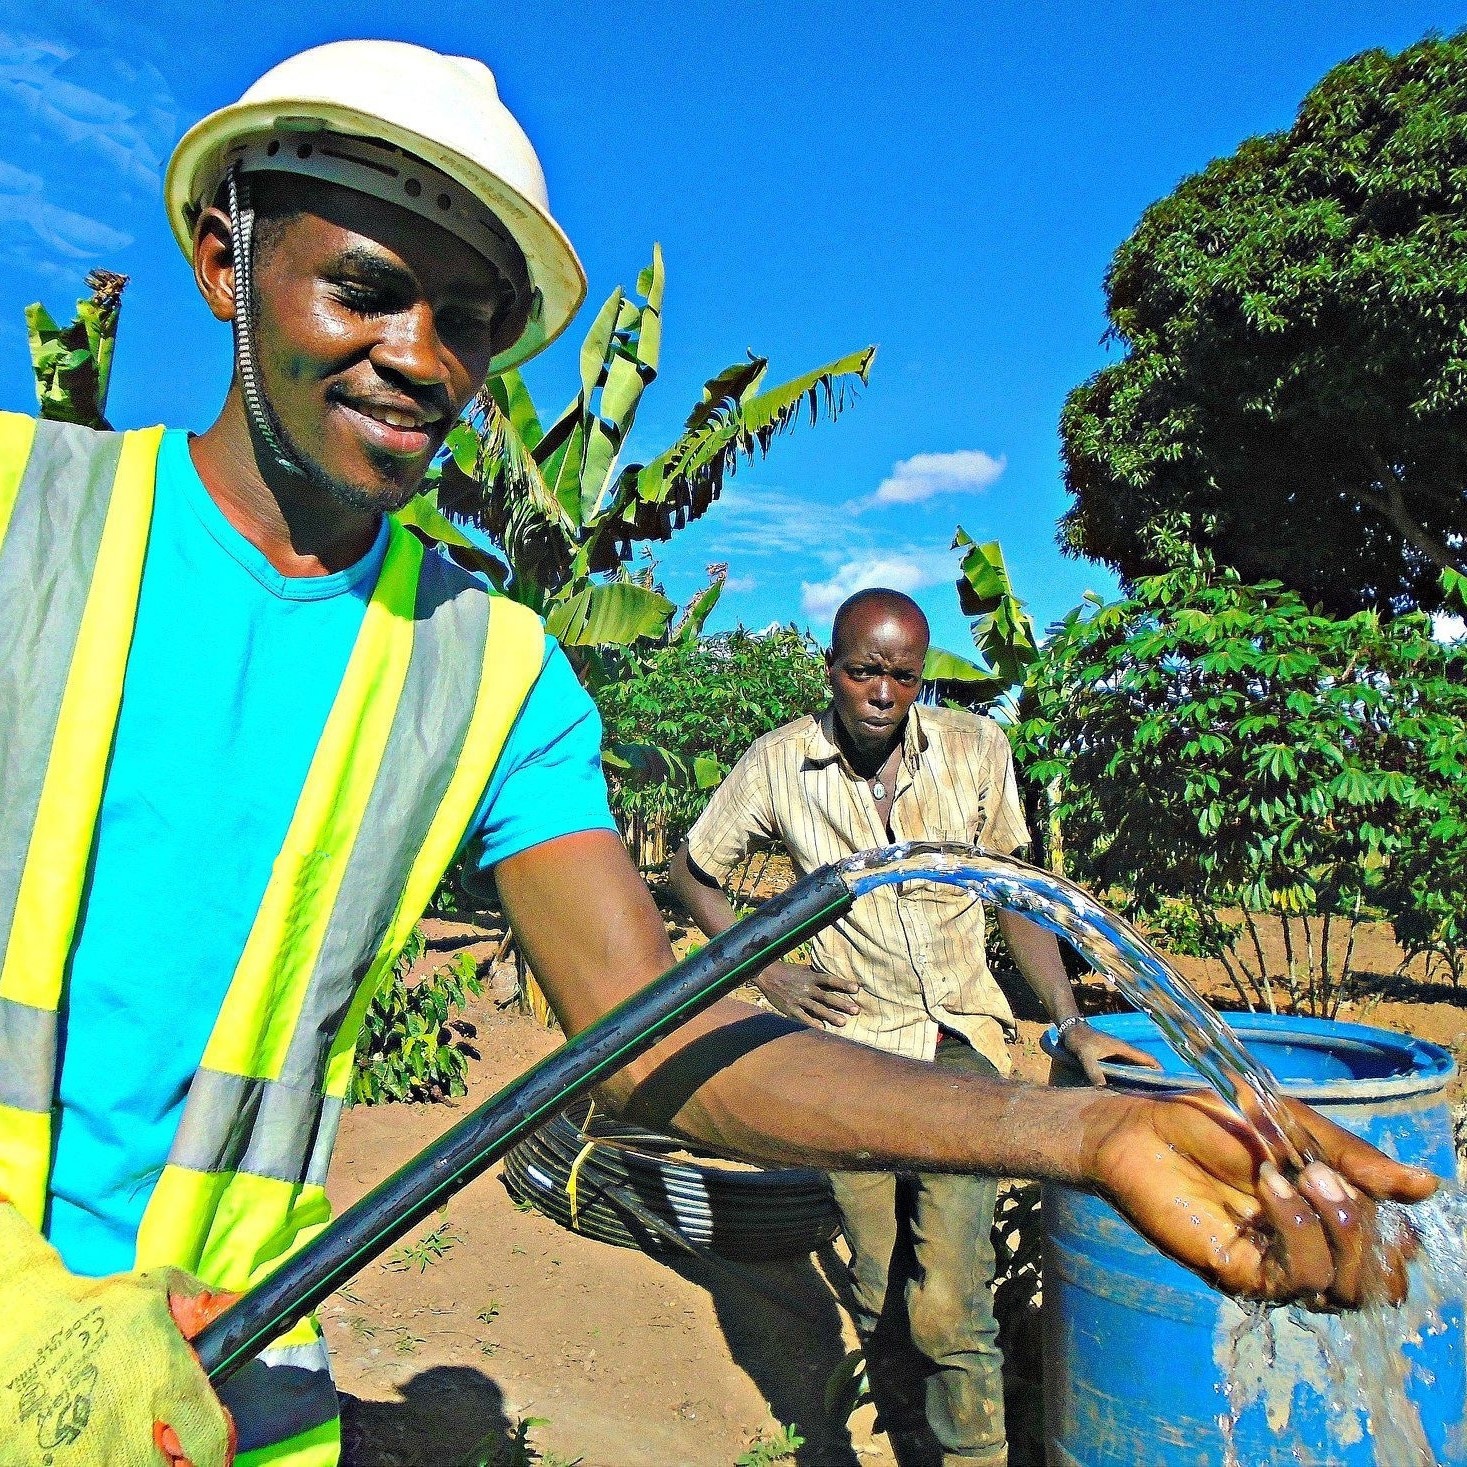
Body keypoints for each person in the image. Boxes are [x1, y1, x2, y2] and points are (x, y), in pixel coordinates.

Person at [0, 38, 1435, 1467]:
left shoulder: (490, 673)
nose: (423, 359)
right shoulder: (20, 513)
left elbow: (645, 1034)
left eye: (472, 320)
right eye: (366, 289)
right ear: (223, 261)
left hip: (226, 1387)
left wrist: (1080, 1132)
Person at [668, 588, 1159, 1465]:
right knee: (875, 1284)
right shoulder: (780, 764)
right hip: (850, 1054)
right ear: (832, 667)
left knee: (946, 1299)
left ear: (920, 677)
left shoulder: (975, 749)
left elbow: (1015, 896)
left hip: (960, 1045)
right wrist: (771, 973)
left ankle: (972, 1454)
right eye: (863, 671)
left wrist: (1068, 1021)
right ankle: (909, 1442)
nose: (882, 693)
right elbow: (692, 870)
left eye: (901, 675)